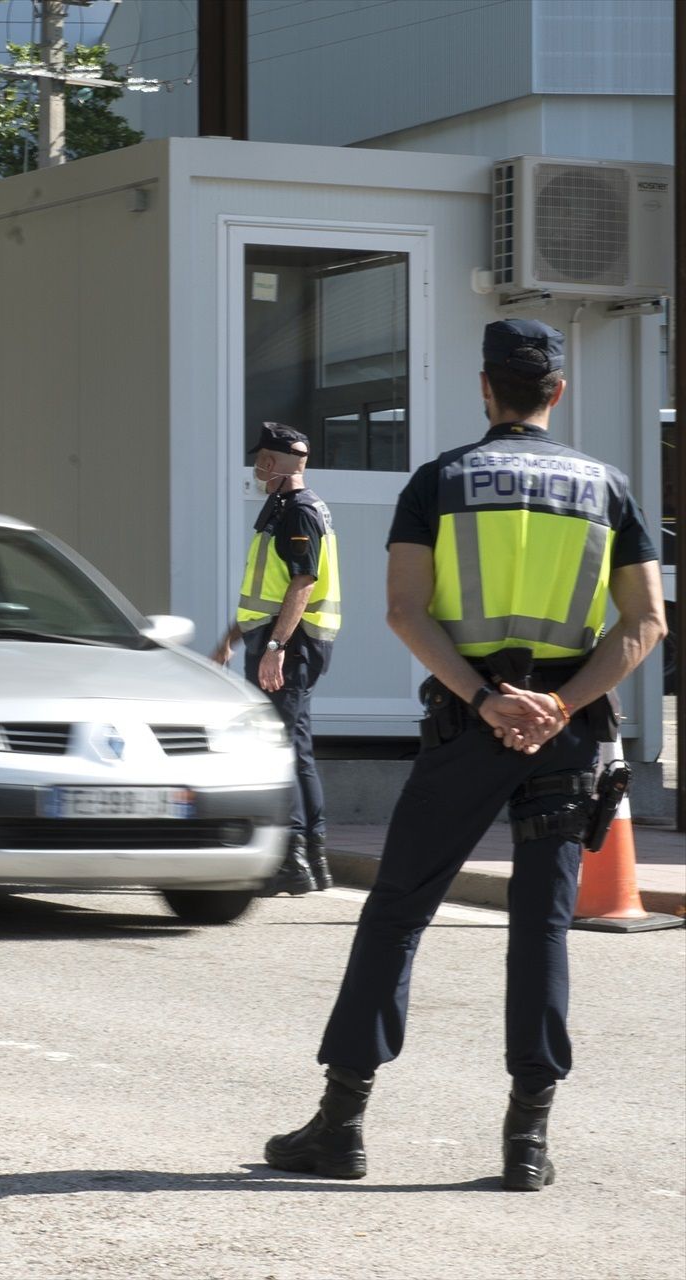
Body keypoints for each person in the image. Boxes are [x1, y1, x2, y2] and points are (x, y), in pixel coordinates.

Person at [263, 319, 664, 1191]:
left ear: (486, 389)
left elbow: (406, 611)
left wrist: (487, 700)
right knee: (543, 927)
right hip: (566, 733)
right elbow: (645, 623)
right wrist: (557, 704)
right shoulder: (609, 488)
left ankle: (342, 1125)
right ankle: (527, 1143)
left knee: (399, 911)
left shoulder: (439, 480)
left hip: (466, 724)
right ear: (555, 393)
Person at [212, 423, 341, 896]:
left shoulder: (300, 511)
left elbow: (302, 584)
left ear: (281, 462)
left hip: (290, 646)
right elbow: (263, 589)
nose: (257, 467)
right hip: (280, 641)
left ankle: (292, 861)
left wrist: (274, 649)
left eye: (263, 458)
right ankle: (313, 859)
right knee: (297, 749)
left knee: (281, 750)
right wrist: (231, 638)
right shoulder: (283, 507)